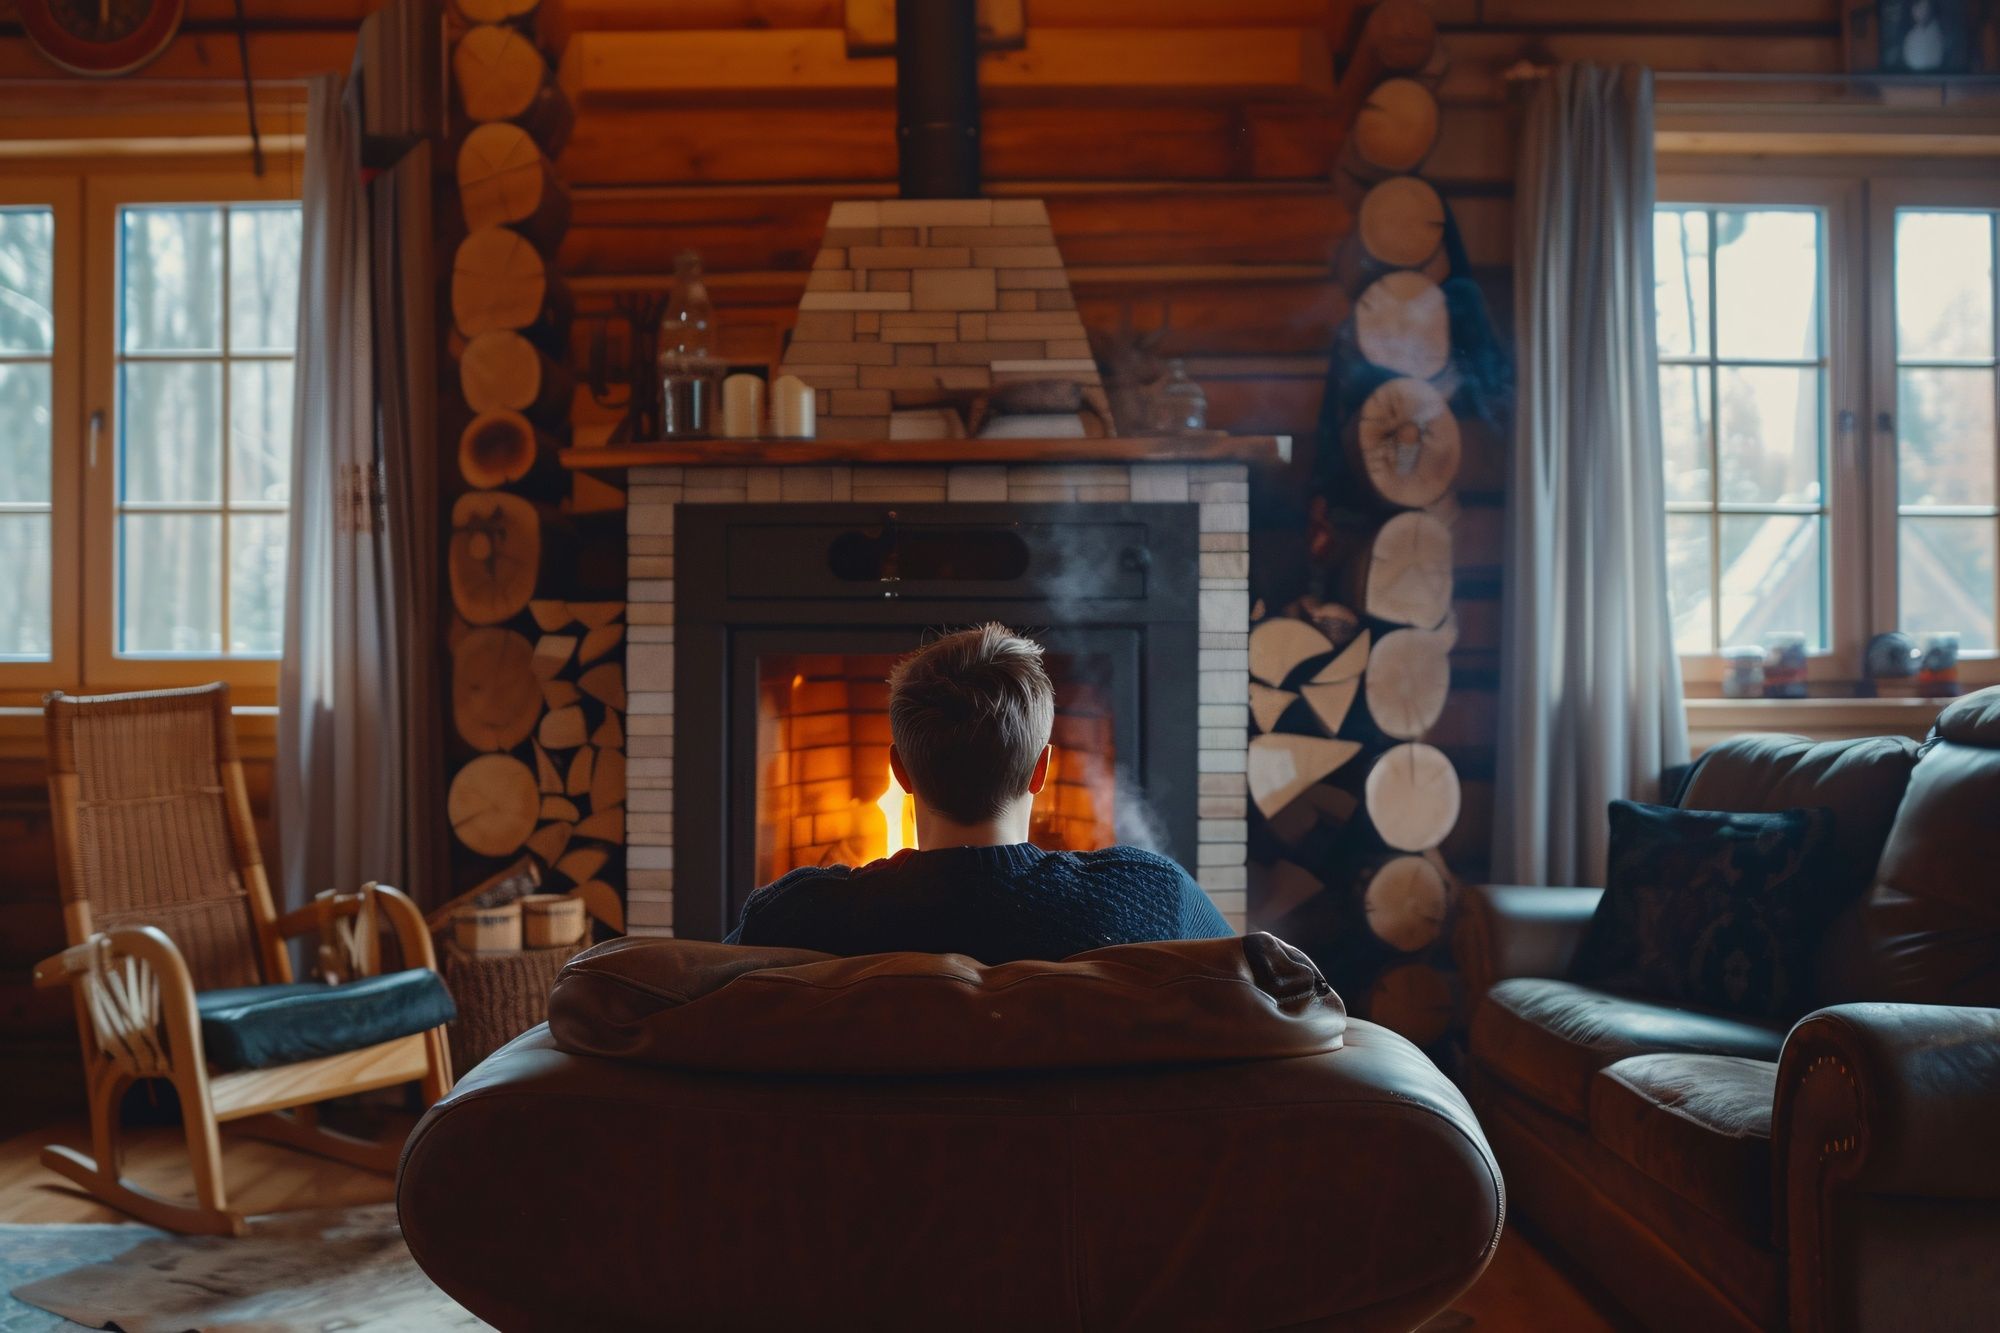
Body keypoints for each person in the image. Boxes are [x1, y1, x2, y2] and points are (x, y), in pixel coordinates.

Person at [726, 623, 1231, 962]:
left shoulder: (794, 915)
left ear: (899, 771)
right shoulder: (1151, 896)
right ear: (1041, 771)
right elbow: (1268, 987)